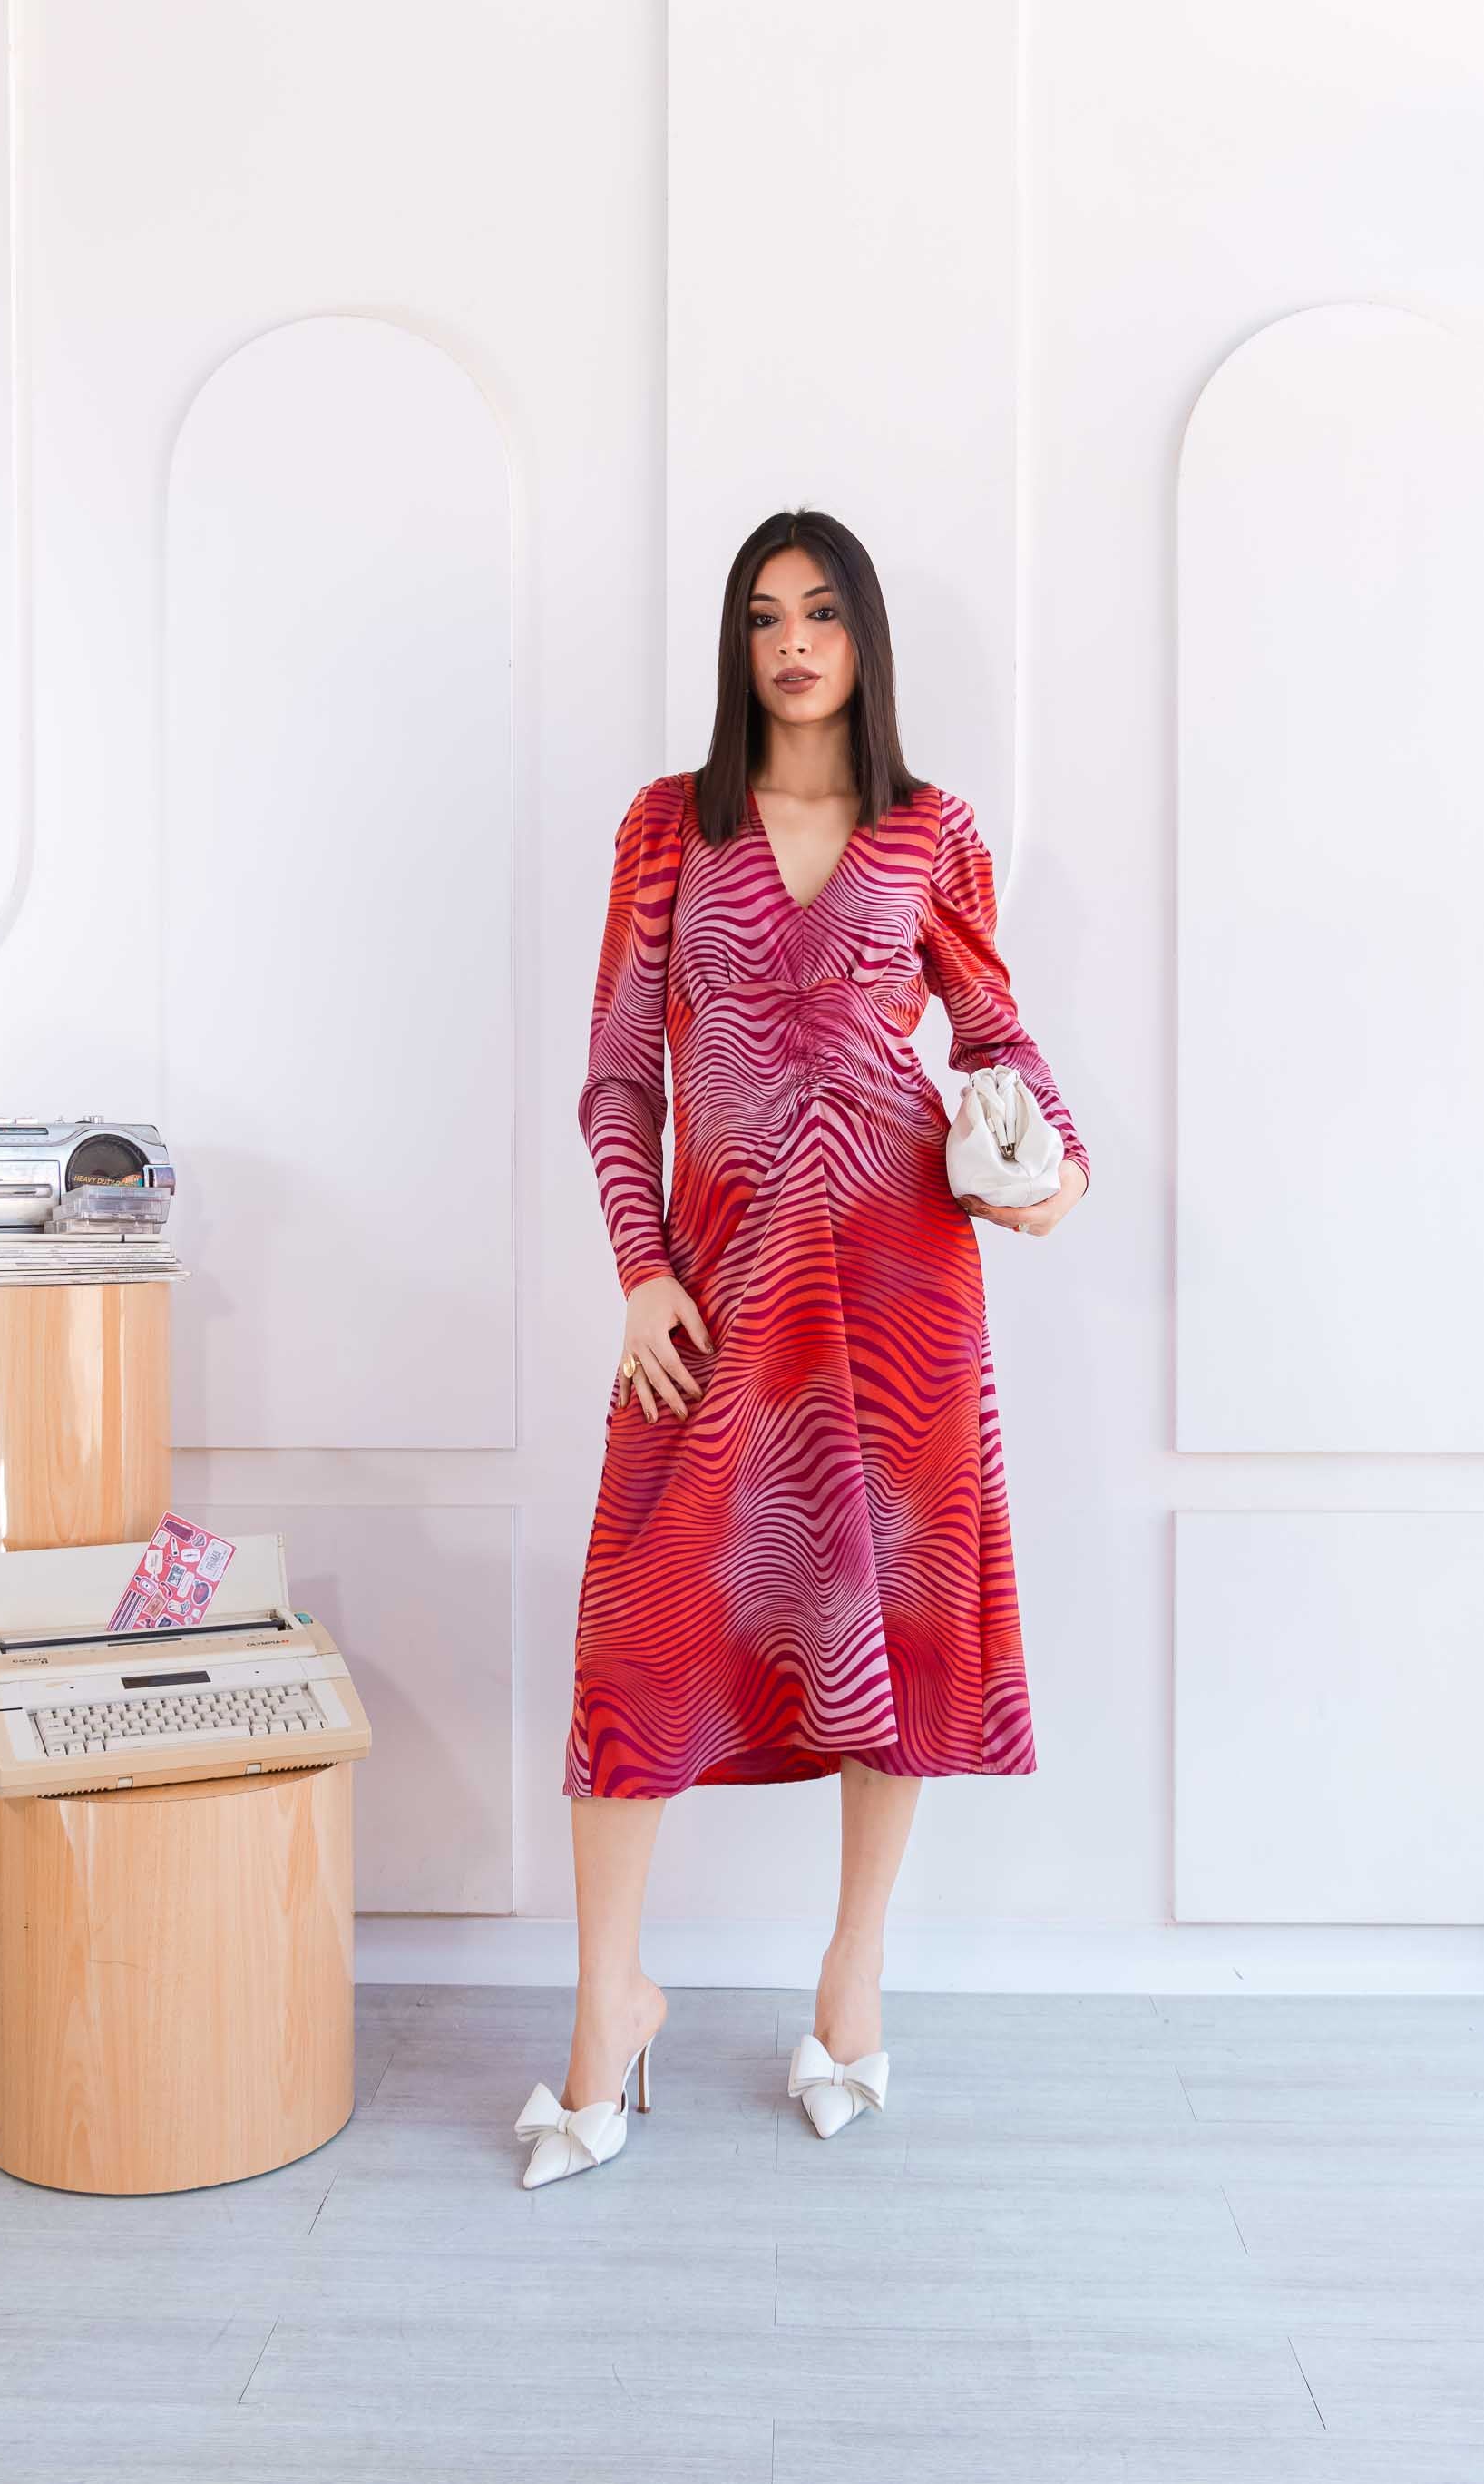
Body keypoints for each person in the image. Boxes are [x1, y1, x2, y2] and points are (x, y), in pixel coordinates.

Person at [513, 507, 1089, 2189]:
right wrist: (639, 1272)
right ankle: (609, 2001)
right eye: (764, 615)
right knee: (632, 1644)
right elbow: (618, 1075)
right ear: (736, 642)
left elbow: (994, 1037)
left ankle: (850, 1975)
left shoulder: (933, 830)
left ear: (862, 638)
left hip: (905, 1299)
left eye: (821, 612)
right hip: (710, 1303)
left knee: (888, 1637)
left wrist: (1053, 1163)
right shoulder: (667, 827)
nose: (791, 642)